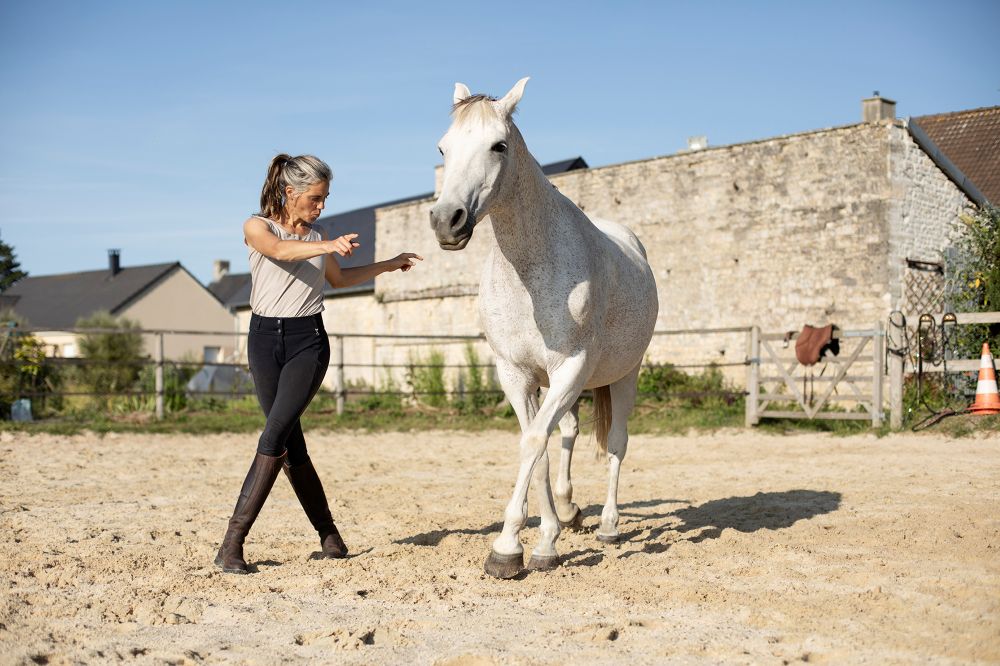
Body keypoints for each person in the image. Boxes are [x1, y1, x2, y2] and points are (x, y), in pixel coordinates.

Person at [215, 153, 422, 575]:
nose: (321, 206)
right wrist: (325, 244)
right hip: (262, 341)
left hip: (307, 342)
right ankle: (330, 536)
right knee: (292, 445)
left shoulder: (318, 234)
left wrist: (388, 263)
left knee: (274, 437)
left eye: (325, 198)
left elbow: (340, 280)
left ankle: (231, 545)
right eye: (315, 198)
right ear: (289, 192)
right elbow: (278, 251)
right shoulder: (258, 226)